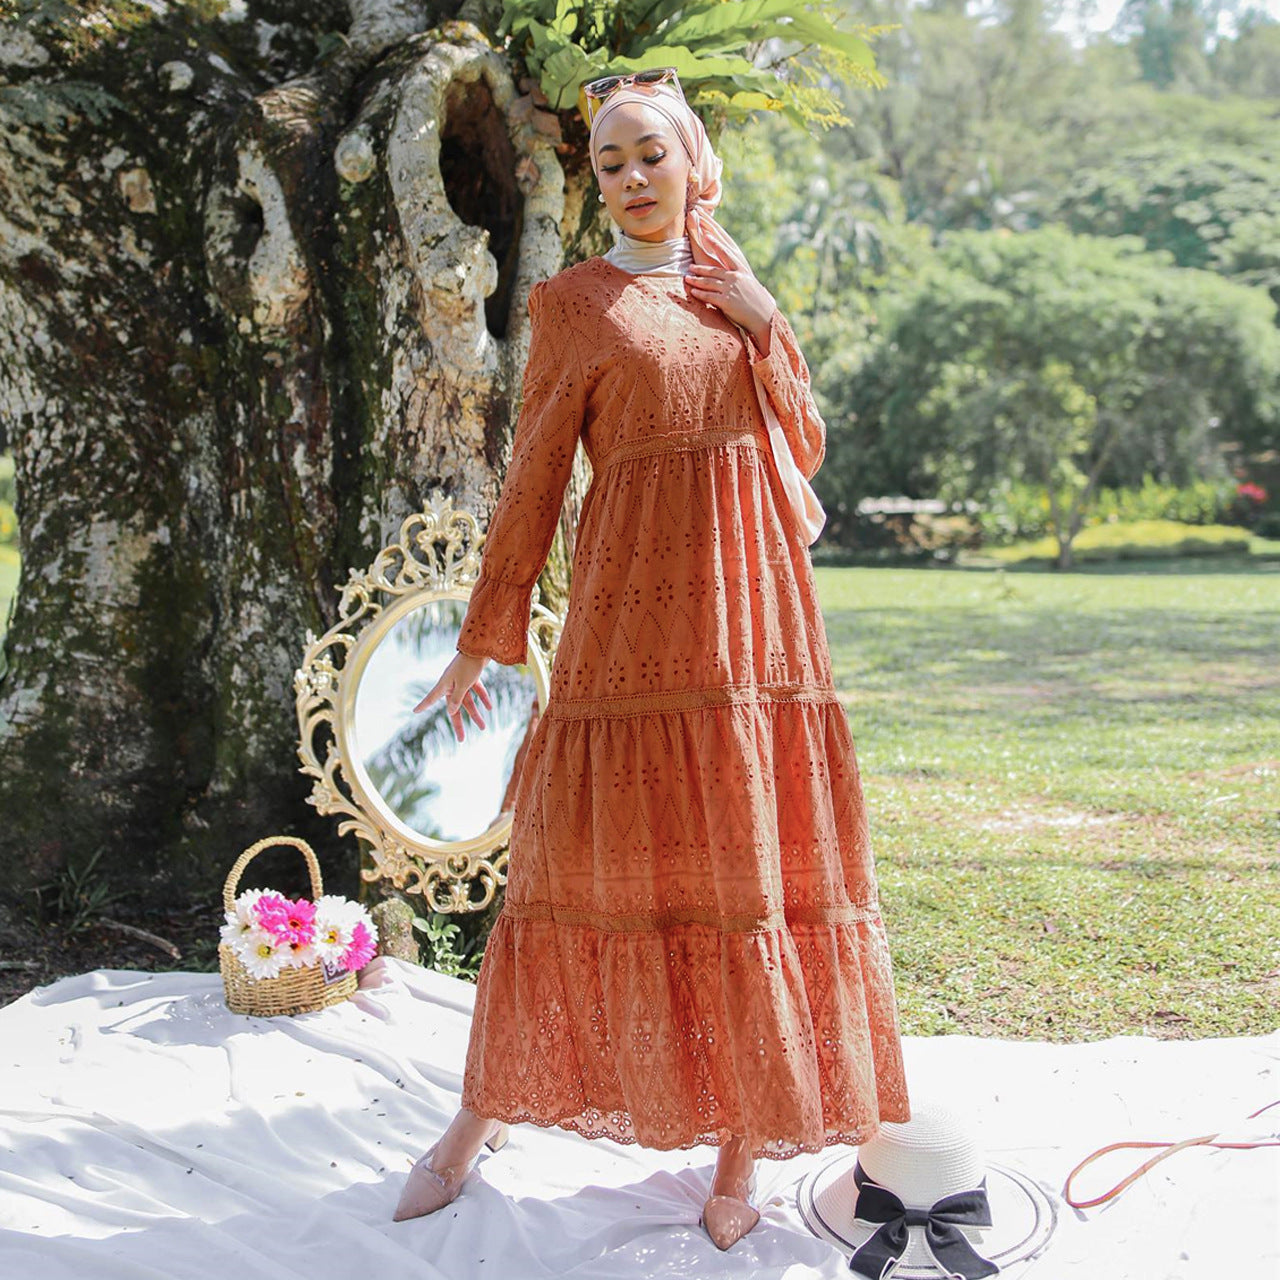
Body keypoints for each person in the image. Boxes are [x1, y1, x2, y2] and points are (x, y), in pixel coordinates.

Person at [397, 69, 911, 1251]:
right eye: (610, 161)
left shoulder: (735, 284)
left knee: (746, 857)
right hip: (630, 613)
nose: (631, 177)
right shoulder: (573, 303)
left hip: (754, 619)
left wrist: (765, 320)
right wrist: (486, 631)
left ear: (692, 163)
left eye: (650, 155)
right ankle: (478, 1116)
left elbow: (802, 440)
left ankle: (741, 1140)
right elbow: (533, 474)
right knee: (570, 859)